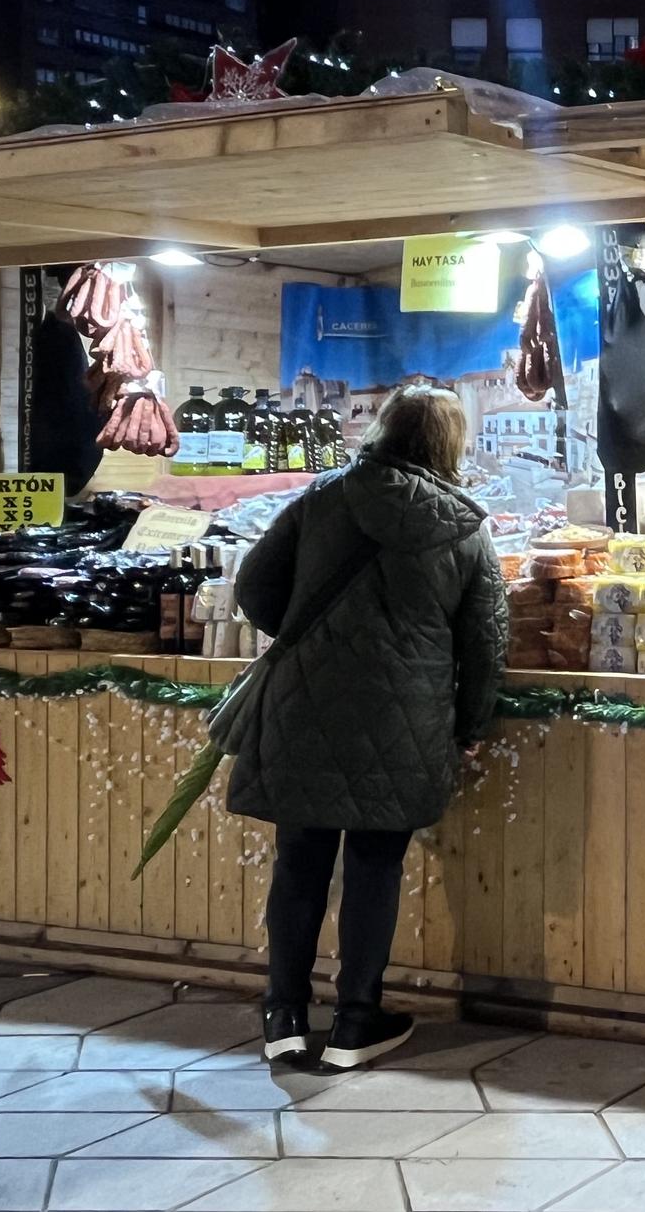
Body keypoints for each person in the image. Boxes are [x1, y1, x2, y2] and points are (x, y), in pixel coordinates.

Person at [230, 384, 508, 1070]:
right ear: (450, 443)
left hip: (306, 703)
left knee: (300, 859)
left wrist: (304, 643)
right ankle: (356, 1021)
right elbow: (486, 640)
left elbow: (253, 586)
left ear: (382, 430)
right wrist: (471, 722)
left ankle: (283, 1015)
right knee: (375, 865)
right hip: (405, 717)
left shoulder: (324, 495)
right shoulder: (466, 526)